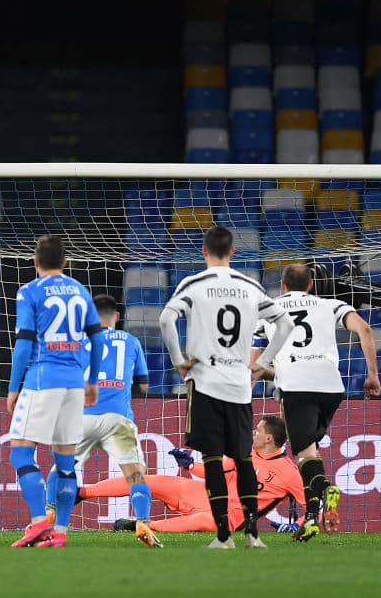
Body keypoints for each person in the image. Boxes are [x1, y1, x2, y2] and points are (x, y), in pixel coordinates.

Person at [158, 225, 294, 550]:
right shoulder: (249, 285)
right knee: (244, 459)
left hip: (205, 383)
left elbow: (166, 318)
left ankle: (223, 537)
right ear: (233, 252)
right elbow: (285, 323)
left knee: (213, 459)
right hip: (238, 384)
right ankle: (253, 535)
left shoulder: (195, 284)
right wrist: (264, 362)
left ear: (204, 251)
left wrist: (178, 359)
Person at [251, 263, 381, 541]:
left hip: (297, 386)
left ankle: (324, 491)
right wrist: (372, 376)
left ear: (283, 285)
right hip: (332, 386)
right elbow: (366, 330)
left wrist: (256, 379)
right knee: (310, 452)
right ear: (310, 285)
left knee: (304, 456)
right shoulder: (332, 304)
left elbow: (254, 364)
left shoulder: (268, 310)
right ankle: (311, 518)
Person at [7, 234, 106, 548]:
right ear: (65, 262)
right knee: (65, 464)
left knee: (21, 451)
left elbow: (23, 344)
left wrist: (14, 387)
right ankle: (60, 531)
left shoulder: (29, 291)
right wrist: (91, 382)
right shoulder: (80, 291)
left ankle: (39, 522)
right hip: (75, 383)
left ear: (35, 262)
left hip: (42, 379)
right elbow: (98, 338)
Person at [45, 294, 161, 548]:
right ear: (117, 317)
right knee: (135, 476)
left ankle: (51, 518)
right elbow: (143, 384)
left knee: (61, 470)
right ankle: (142, 522)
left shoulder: (78, 342)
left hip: (82, 417)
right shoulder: (131, 342)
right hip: (117, 418)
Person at [80, 415, 305, 534]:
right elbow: (218, 471)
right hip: (205, 494)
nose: (253, 432)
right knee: (150, 481)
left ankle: (143, 526)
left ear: (269, 439)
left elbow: (318, 507)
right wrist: (190, 465)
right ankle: (83, 492)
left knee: (203, 521)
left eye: (258, 430)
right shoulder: (245, 451)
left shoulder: (289, 472)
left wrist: (298, 525)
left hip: (231, 516)